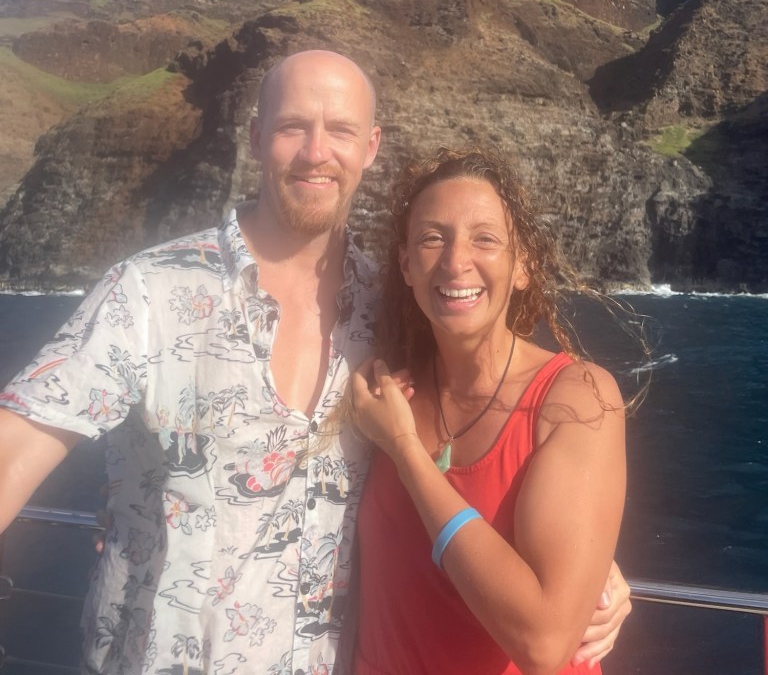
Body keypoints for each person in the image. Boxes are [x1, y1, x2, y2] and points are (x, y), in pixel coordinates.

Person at [0, 51, 629, 674]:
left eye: (341, 130)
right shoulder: (149, 294)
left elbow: (492, 451)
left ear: (370, 146)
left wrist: (590, 567)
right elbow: (15, 447)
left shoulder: (389, 313)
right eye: (292, 126)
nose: (316, 152)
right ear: (256, 138)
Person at [351, 147, 627, 675]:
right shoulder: (380, 392)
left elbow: (544, 643)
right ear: (406, 265)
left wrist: (406, 452)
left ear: (523, 266)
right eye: (432, 238)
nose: (456, 261)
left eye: (485, 239)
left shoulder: (575, 398)